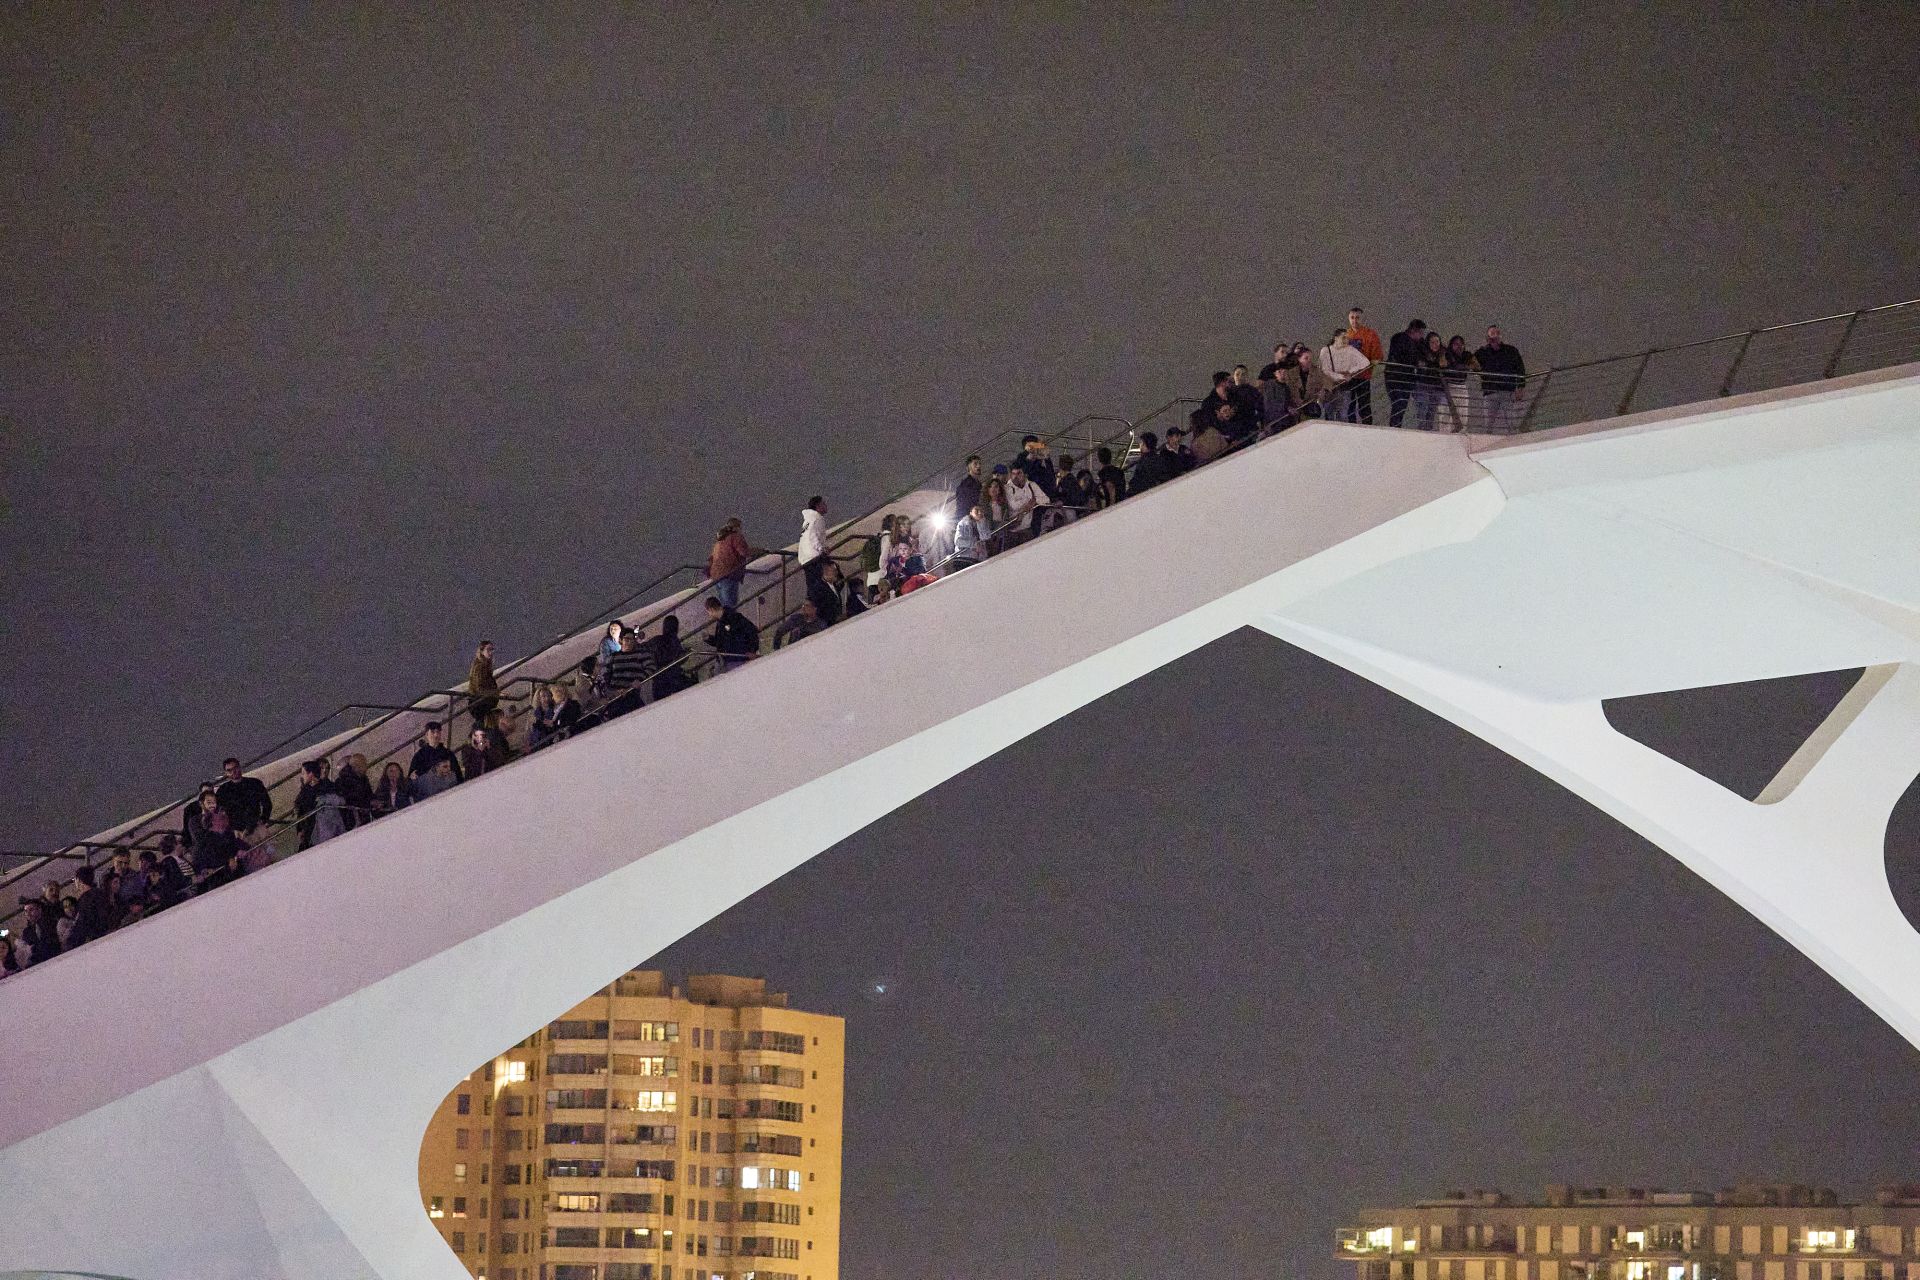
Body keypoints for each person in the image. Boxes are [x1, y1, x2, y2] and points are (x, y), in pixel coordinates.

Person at [1474, 324, 1528, 432]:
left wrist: (1521, 387)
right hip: (1490, 392)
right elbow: (1472, 363)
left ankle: (1511, 440)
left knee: (1510, 422)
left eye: (1497, 333)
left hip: (1507, 391)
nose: (1495, 336)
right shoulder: (1482, 353)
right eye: (1492, 334)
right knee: (1488, 423)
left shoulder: (1511, 351)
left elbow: (1520, 369)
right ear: (1487, 337)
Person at [214, 756, 273, 843]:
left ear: (239, 767)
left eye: (235, 768)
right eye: (229, 770)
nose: (233, 772)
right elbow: (218, 812)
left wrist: (263, 819)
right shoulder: (222, 791)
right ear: (226, 773)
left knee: (268, 849)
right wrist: (231, 830)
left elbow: (267, 803)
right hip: (238, 833)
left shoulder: (255, 783)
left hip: (257, 827)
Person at [1317, 329, 1372, 422]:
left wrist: (1350, 371)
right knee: (1329, 413)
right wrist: (1342, 376)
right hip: (1330, 386)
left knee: (1343, 414)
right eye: (1343, 337)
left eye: (1347, 338)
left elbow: (1365, 362)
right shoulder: (1326, 350)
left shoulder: (1350, 349)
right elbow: (1325, 370)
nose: (1346, 340)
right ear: (1335, 338)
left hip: (1344, 386)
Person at [1385, 318, 1429, 428]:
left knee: (1402, 406)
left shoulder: (1419, 343)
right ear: (1414, 330)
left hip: (1407, 380)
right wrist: (1417, 361)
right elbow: (1400, 355)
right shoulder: (1399, 338)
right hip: (1396, 378)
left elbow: (1426, 355)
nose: (1422, 335)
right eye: (1420, 332)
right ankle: (1394, 428)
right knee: (1399, 404)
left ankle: (1396, 427)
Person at [1344, 307, 1385, 423]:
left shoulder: (1370, 334)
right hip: (1348, 377)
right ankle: (1350, 427)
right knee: (1348, 406)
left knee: (1364, 405)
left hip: (1363, 376)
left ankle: (1367, 428)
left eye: (1357, 318)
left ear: (1362, 319)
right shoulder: (1345, 335)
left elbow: (1377, 355)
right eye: (1352, 317)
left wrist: (1374, 361)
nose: (1354, 320)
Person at [603, 630, 656, 718]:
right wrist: (614, 692)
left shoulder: (640, 654)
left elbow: (651, 667)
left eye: (632, 640)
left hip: (632, 693)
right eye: (627, 639)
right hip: (616, 697)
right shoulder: (613, 657)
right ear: (620, 640)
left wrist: (639, 679)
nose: (630, 642)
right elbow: (606, 676)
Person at [704, 596, 761, 672]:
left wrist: (752, 650)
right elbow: (721, 642)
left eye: (708, 612)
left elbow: (751, 632)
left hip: (737, 659)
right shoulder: (721, 622)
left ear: (711, 609)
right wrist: (708, 639)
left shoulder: (734, 618)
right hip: (730, 659)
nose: (709, 615)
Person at [65, 864, 114, 949]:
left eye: (74, 880)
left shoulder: (84, 901)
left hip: (94, 940)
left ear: (79, 880)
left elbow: (82, 924)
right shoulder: (101, 893)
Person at [708, 517, 753, 610]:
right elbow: (744, 552)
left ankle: (725, 618)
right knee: (730, 605)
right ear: (736, 527)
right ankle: (729, 619)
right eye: (740, 527)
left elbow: (711, 558)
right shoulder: (736, 537)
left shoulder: (720, 539)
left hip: (717, 575)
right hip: (729, 574)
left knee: (724, 604)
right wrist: (760, 551)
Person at [647, 617, 695, 699]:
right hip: (674, 678)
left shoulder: (655, 640)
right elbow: (678, 659)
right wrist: (686, 653)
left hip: (658, 680)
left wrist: (636, 630)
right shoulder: (673, 640)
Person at [1003, 464, 1051, 541]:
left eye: (1019, 473)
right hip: (1014, 530)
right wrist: (1030, 502)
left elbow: (1046, 500)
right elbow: (1013, 506)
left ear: (1025, 475)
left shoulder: (1031, 485)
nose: (1015, 477)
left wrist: (1034, 501)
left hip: (1029, 528)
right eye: (1013, 474)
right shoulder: (1007, 488)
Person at [1442, 335, 1477, 431]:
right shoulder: (1447, 354)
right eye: (1456, 344)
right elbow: (1443, 365)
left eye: (1461, 344)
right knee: (1446, 413)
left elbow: (1476, 366)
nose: (1459, 346)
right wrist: (1462, 367)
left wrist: (1464, 367)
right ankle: (1444, 433)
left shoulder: (1467, 355)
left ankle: (1461, 432)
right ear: (1451, 345)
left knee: (1463, 412)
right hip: (1449, 385)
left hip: (1462, 386)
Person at [335, 753, 374, 831]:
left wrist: (373, 800)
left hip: (364, 814)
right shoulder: (343, 781)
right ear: (356, 766)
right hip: (352, 818)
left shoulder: (363, 779)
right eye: (363, 764)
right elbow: (350, 799)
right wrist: (369, 802)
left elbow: (368, 794)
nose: (366, 767)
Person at [797, 496, 829, 591]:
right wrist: (821, 548)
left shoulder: (809, 519)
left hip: (805, 557)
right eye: (823, 504)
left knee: (812, 585)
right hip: (814, 556)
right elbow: (812, 535)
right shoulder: (817, 518)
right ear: (817, 506)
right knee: (820, 585)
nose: (826, 506)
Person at [18, 898, 60, 967]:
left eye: (31, 910)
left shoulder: (51, 923)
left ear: (39, 909)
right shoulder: (26, 932)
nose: (28, 914)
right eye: (26, 911)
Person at [467, 640, 501, 725]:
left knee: (485, 724)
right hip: (479, 702)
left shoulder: (486, 665)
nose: (491, 652)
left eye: (492, 650)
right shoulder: (480, 666)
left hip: (482, 701)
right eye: (488, 650)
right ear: (481, 651)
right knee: (483, 725)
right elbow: (479, 688)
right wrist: (496, 694)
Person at [1227, 365, 1264, 438]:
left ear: (1247, 376)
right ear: (1233, 376)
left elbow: (1261, 409)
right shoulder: (1228, 394)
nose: (1240, 377)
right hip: (1236, 432)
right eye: (1237, 374)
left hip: (1252, 429)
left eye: (1243, 374)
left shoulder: (1253, 391)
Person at [951, 503, 992, 568]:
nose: (979, 513)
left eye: (981, 511)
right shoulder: (963, 524)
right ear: (971, 513)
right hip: (964, 557)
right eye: (976, 510)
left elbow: (986, 537)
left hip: (979, 559)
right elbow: (958, 541)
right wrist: (973, 544)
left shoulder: (984, 523)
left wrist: (982, 524)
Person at [525, 682, 560, 752]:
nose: (547, 698)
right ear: (539, 698)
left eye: (548, 696)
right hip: (536, 743)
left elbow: (557, 724)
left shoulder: (556, 709)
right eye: (543, 696)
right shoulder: (534, 713)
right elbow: (530, 731)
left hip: (551, 741)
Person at [952, 455, 984, 525]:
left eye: (979, 463)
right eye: (975, 464)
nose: (978, 466)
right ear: (969, 467)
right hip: (968, 520)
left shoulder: (978, 484)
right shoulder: (966, 485)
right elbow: (964, 505)